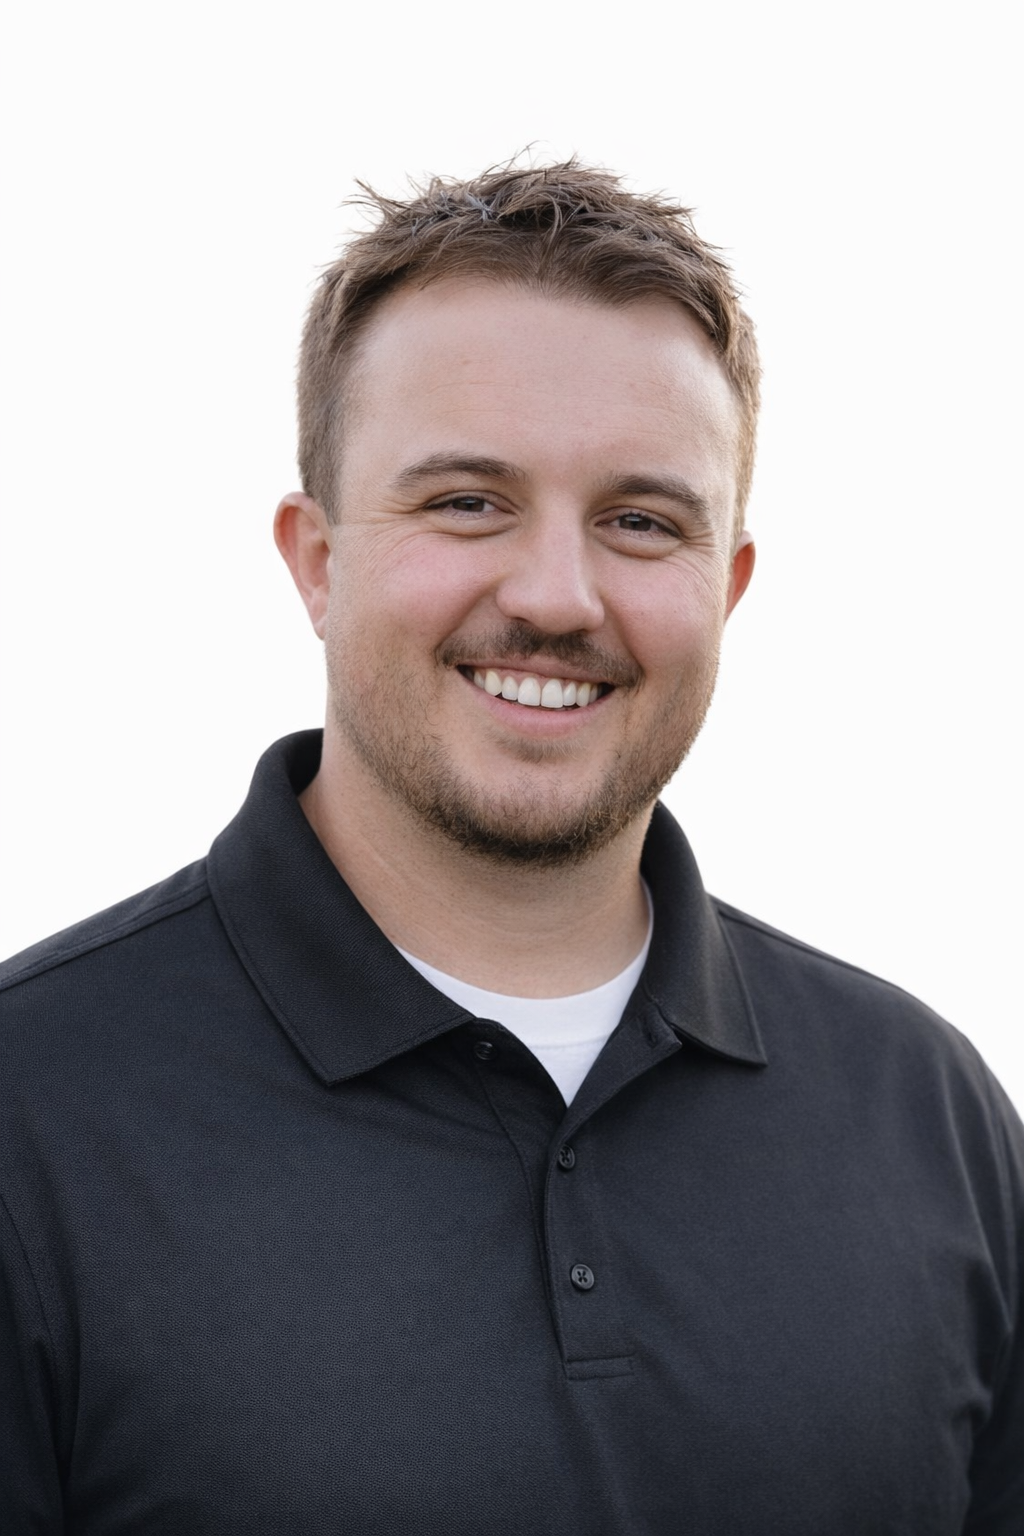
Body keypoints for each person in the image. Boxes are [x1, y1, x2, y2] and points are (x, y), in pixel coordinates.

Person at [1, 160, 1021, 1535]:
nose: (555, 594)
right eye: (467, 501)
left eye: (642, 522)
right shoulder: (34, 1115)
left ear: (726, 589)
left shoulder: (931, 1115)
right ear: (317, 560)